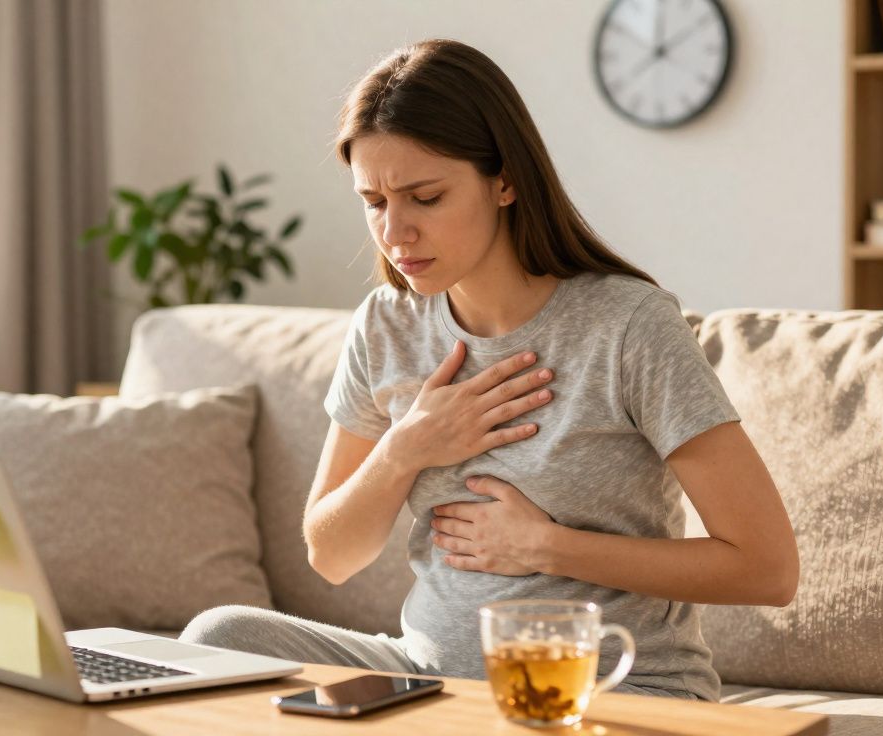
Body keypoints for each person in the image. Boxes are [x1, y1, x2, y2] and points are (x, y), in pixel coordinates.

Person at [179, 38, 798, 702]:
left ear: (504, 180)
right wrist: (405, 450)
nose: (394, 233)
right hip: (431, 680)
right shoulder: (387, 325)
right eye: (375, 201)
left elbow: (766, 569)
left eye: (424, 197)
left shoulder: (627, 326)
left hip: (609, 688)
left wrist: (547, 547)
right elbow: (331, 555)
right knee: (220, 637)